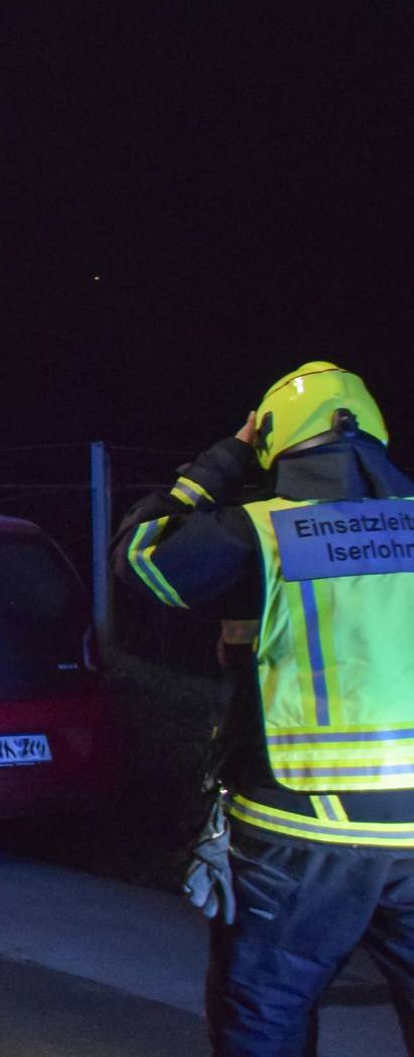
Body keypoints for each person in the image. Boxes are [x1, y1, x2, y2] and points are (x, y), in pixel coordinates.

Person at [114, 362, 414, 1055]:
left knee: (266, 1022)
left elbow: (141, 558)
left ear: (275, 440)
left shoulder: (262, 531)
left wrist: (220, 464)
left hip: (299, 834)